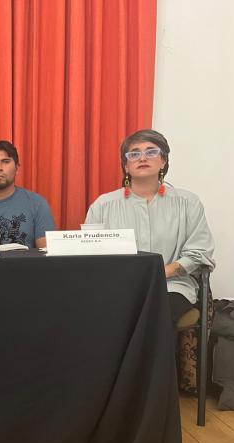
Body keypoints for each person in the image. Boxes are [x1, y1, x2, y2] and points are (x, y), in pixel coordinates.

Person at [84, 129, 215, 323]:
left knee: (153, 312)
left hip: (171, 286)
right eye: (134, 153)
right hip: (119, 285)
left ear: (163, 161)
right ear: (126, 166)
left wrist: (164, 272)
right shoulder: (103, 205)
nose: (142, 157)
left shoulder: (188, 202)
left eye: (151, 151)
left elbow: (199, 252)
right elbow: (89, 252)